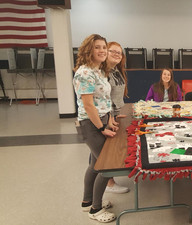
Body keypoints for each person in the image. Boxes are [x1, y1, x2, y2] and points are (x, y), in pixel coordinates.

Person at [73, 34, 116, 222]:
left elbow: (104, 99)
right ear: (88, 50)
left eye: (104, 47)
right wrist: (101, 128)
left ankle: (86, 202)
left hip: (102, 120)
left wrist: (110, 119)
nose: (102, 51)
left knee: (94, 165)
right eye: (97, 47)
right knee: (106, 166)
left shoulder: (98, 70)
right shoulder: (84, 73)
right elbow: (88, 105)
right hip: (91, 125)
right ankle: (95, 210)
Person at [104, 41, 130, 194]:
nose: (116, 54)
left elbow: (116, 93)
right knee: (105, 151)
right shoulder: (103, 73)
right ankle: (109, 182)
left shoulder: (116, 70)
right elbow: (103, 97)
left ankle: (108, 181)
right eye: (113, 51)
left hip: (116, 112)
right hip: (108, 116)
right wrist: (110, 116)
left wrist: (118, 110)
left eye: (119, 53)